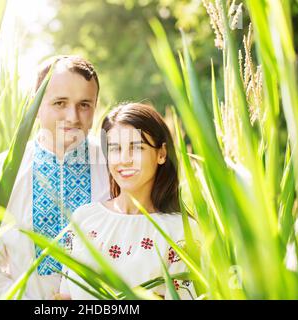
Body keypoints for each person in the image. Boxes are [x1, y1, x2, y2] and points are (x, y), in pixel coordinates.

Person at [0, 55, 110, 299]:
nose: (73, 117)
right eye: (60, 103)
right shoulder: (0, 172)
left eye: (84, 104)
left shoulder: (114, 165)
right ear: (34, 107)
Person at [58, 102, 199, 300]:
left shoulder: (181, 231)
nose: (124, 160)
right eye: (115, 149)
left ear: (161, 154)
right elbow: (65, 296)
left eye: (137, 148)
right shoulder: (84, 218)